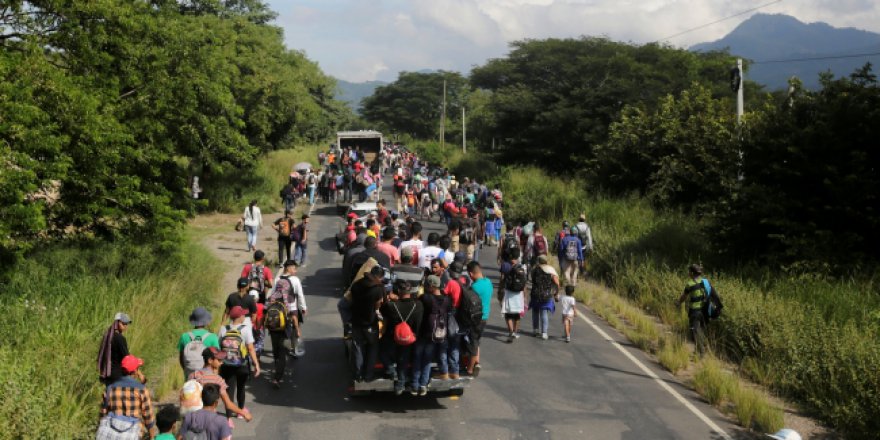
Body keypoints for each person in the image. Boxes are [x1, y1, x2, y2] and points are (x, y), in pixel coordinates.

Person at [379, 279, 423, 395]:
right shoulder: (418, 305)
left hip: (392, 337)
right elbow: (418, 324)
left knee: (382, 351)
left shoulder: (392, 306)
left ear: (398, 291)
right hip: (409, 338)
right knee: (403, 361)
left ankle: (391, 370)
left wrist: (392, 299)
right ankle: (400, 384)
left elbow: (382, 309)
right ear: (411, 291)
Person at [97, 355, 155, 439]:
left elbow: (103, 413)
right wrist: (151, 436)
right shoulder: (141, 390)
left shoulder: (110, 388)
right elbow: (148, 417)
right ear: (135, 371)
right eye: (138, 368)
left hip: (110, 432)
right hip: (131, 433)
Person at [218, 306, 261, 417]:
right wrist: (256, 364)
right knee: (241, 388)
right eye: (243, 315)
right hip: (241, 364)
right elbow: (250, 348)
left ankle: (228, 416)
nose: (244, 316)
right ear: (239, 317)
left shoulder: (223, 329)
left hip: (227, 364)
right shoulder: (246, 329)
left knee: (229, 389)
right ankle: (240, 411)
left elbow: (219, 347)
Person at [188, 347, 251, 422]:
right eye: (219, 360)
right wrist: (243, 413)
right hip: (209, 419)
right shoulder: (217, 380)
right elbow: (228, 404)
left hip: (193, 417)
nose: (221, 362)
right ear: (210, 360)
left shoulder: (193, 375)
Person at [265, 260, 300, 388]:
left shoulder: (272, 298)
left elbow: (265, 310)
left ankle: (276, 369)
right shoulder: (289, 298)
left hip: (273, 328)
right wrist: (297, 329)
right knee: (283, 353)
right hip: (285, 329)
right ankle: (277, 378)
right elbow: (294, 314)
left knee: (276, 351)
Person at [412, 275, 449, 396]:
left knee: (417, 358)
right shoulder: (446, 300)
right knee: (427, 360)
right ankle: (423, 385)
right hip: (436, 334)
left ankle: (415, 385)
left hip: (423, 333)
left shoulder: (426, 298)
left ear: (431, 286)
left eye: (427, 285)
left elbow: (417, 300)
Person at [349, 266, 386, 382]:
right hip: (370, 323)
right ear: (378, 277)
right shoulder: (378, 289)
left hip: (356, 321)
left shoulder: (357, 284)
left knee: (358, 348)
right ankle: (368, 374)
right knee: (373, 347)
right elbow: (380, 304)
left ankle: (358, 374)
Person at [465, 261, 492, 376]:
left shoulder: (474, 287)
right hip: (485, 317)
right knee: (477, 340)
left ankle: (470, 369)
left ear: (471, 274)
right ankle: (476, 362)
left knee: (473, 343)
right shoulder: (488, 282)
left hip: (476, 318)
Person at [179, 307, 220, 381]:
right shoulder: (213, 337)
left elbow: (181, 358)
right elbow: (216, 360)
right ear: (206, 321)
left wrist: (186, 370)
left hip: (189, 375)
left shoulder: (184, 336)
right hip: (207, 376)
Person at [676, 264, 709, 355]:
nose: (688, 273)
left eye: (689, 271)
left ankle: (701, 352)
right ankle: (702, 348)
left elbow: (684, 296)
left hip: (695, 311)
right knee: (700, 330)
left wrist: (678, 302)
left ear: (692, 273)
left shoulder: (690, 284)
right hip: (704, 311)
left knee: (694, 331)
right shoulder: (704, 281)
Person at [529, 255, 560, 340]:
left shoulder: (534, 269)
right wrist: (556, 293)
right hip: (546, 294)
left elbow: (531, 279)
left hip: (535, 293)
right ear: (546, 261)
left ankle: (535, 330)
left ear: (538, 261)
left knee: (535, 312)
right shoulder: (550, 270)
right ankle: (544, 333)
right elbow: (557, 283)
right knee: (544, 313)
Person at [499, 249, 527, 342]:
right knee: (517, 314)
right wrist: (525, 296)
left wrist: (501, 290)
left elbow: (502, 279)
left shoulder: (506, 265)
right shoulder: (522, 267)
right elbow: (524, 283)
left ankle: (511, 332)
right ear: (518, 256)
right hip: (519, 294)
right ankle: (515, 332)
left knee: (508, 314)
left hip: (509, 292)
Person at [97, 312, 133, 385]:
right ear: (117, 323)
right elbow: (126, 358)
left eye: (127, 324)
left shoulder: (107, 335)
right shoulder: (120, 338)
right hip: (118, 374)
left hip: (106, 373)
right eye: (123, 323)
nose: (126, 326)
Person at [575, 213, 593, 278]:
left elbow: (574, 236)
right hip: (584, 246)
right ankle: (582, 272)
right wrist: (590, 247)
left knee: (578, 259)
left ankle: (578, 272)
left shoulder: (576, 226)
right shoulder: (587, 227)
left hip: (577, 246)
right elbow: (589, 237)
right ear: (584, 219)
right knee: (584, 258)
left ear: (579, 219)